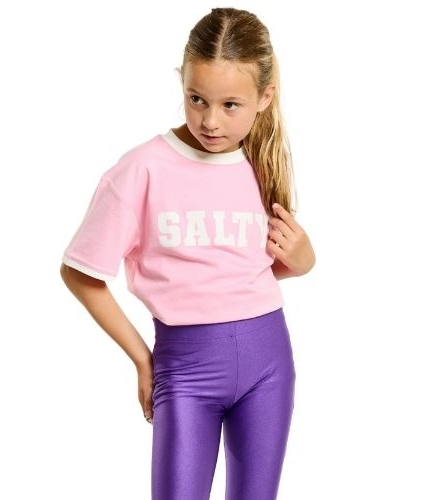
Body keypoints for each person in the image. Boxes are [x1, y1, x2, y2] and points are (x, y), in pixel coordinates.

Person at [60, 7, 315, 500]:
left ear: (264, 98)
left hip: (269, 363)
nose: (210, 121)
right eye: (197, 99)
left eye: (230, 105)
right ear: (182, 81)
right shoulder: (143, 170)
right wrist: (142, 359)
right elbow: (80, 273)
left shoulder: (263, 162)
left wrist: (304, 262)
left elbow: (241, 268)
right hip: (185, 369)